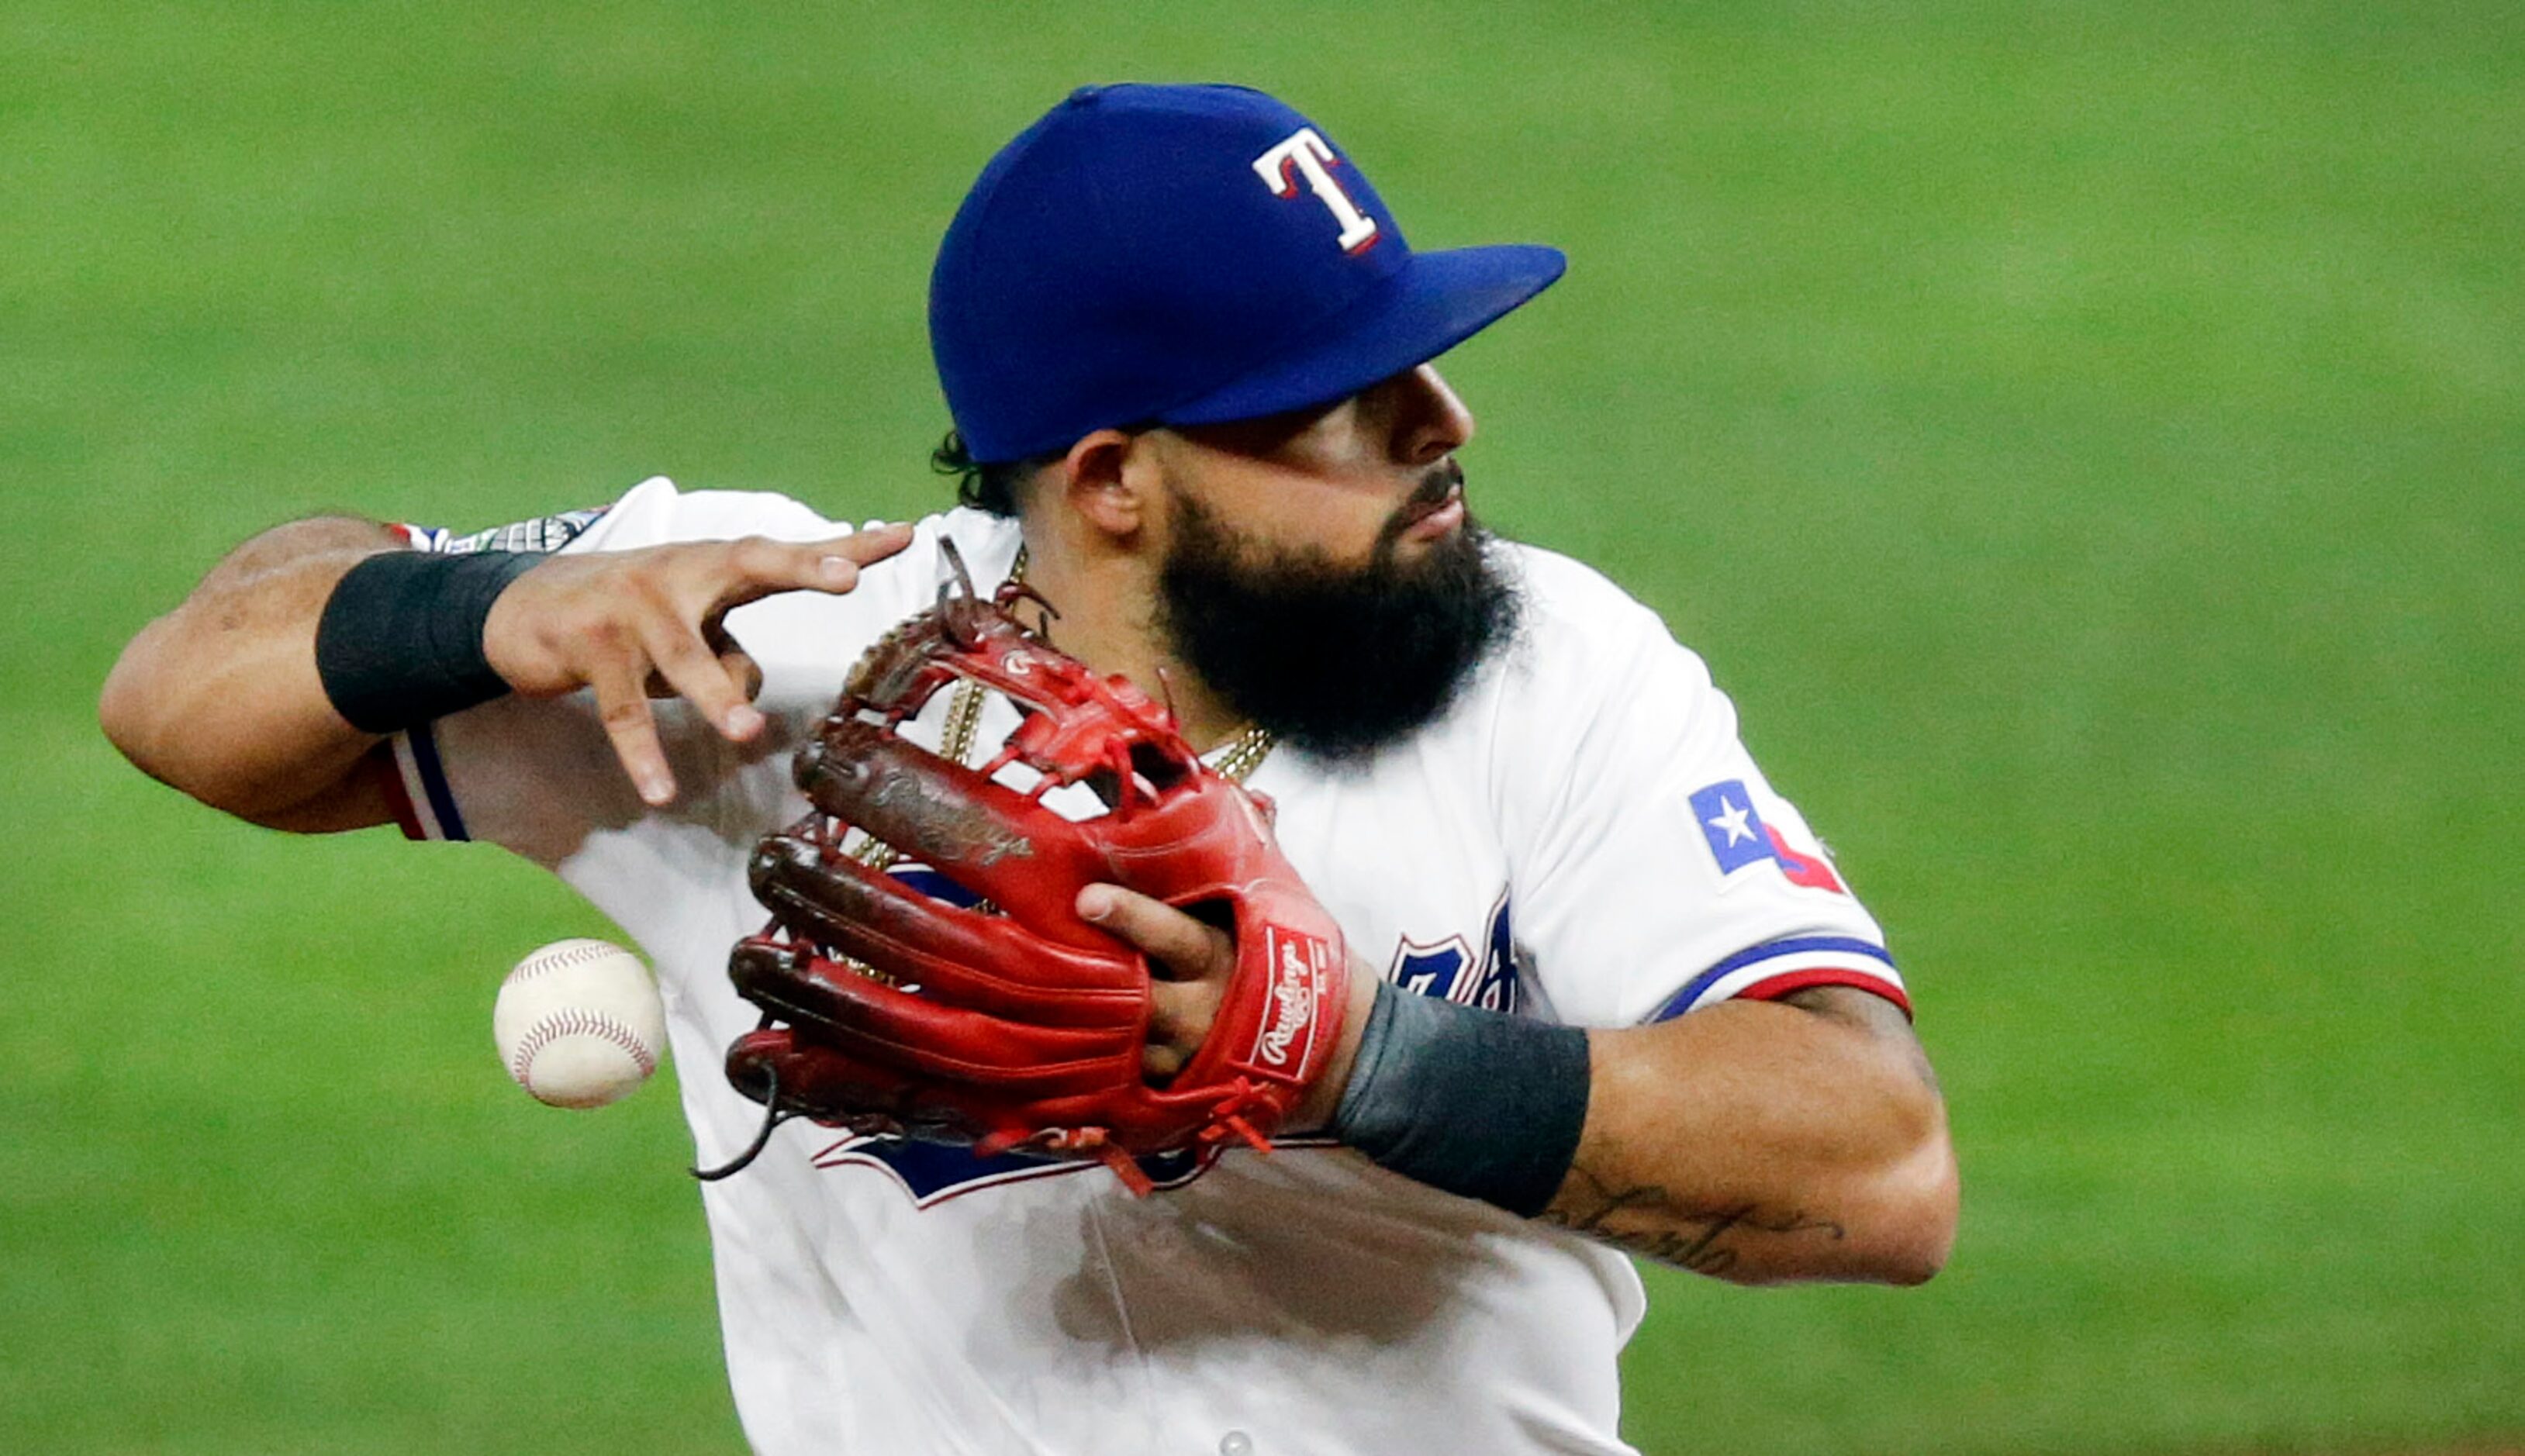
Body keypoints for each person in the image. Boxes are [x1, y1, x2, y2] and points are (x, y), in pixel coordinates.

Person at [102, 83, 1957, 1455]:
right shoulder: (772, 653)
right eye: (1344, 400)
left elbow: (1878, 1175)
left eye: (1425, 365)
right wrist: (485, 608)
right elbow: (185, 694)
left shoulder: (1549, 666)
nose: (1441, 425)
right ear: (1111, 480)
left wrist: (1344, 1057)